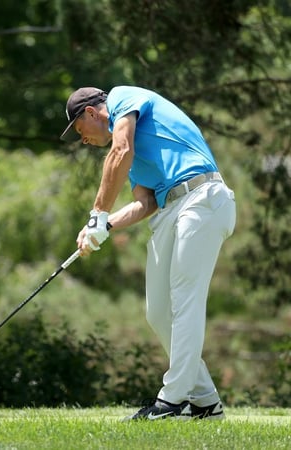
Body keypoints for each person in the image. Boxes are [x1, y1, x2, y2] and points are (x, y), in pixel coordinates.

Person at [61, 86, 236, 420]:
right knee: (158, 312)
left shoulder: (123, 97)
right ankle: (206, 402)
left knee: (184, 301)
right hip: (171, 207)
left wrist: (97, 215)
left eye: (80, 132)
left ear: (91, 113)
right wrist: (106, 225)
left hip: (203, 197)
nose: (82, 141)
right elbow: (146, 202)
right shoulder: (134, 161)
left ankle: (172, 402)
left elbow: (120, 147)